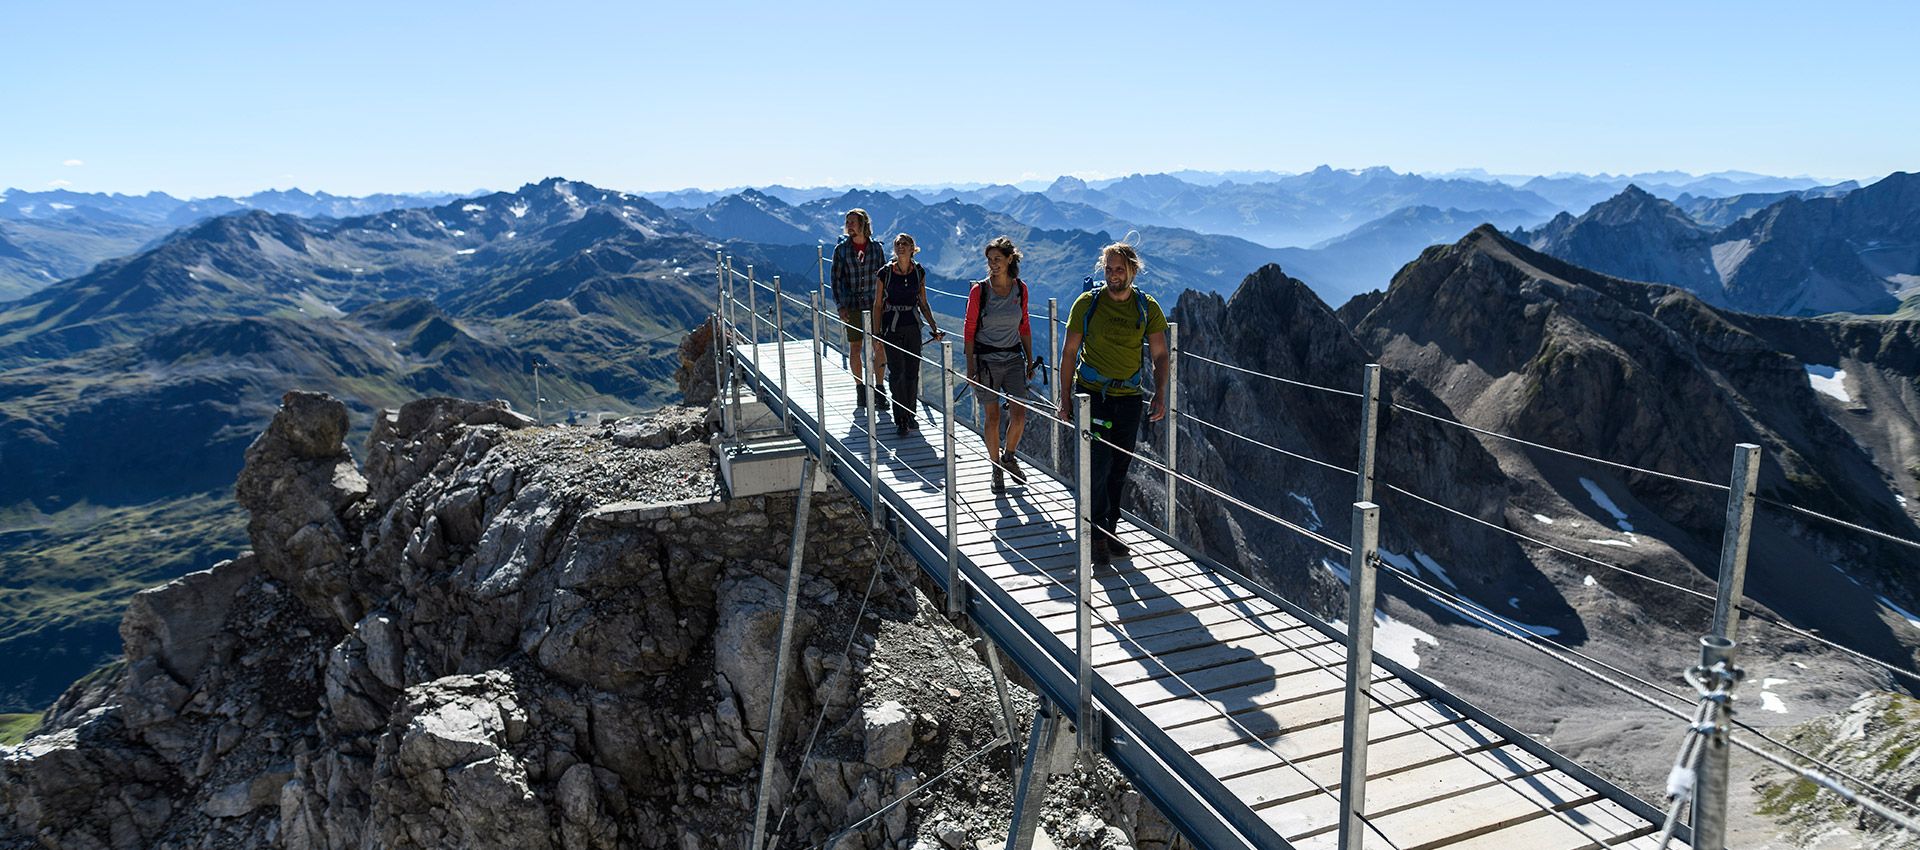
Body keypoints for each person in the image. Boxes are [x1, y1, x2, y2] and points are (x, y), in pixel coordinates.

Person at [1057, 242, 1169, 564]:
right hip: (1092, 397)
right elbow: (1068, 354)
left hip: (1130, 400)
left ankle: (1109, 529)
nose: (1113, 275)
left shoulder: (1147, 308)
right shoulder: (1086, 304)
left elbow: (1160, 355)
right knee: (1098, 465)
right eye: (1108, 269)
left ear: (1132, 270)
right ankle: (1097, 535)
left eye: (1119, 269)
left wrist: (1160, 394)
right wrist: (1065, 399)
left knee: (1119, 468)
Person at [965, 236, 1035, 494]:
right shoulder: (979, 291)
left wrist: (1029, 358)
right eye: (989, 260)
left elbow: (1024, 324)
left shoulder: (1021, 289)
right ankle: (996, 468)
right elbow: (969, 329)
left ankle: (1009, 457)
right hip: (986, 361)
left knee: (1019, 415)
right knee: (993, 417)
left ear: (1009, 259)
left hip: (1014, 358)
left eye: (997, 259)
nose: (993, 264)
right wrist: (971, 367)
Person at [872, 233, 941, 436]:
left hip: (912, 326)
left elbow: (923, 302)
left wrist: (934, 328)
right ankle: (900, 418)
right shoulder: (884, 273)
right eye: (897, 244)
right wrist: (876, 334)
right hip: (891, 327)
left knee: (912, 372)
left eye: (905, 244)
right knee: (897, 373)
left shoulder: (919, 272)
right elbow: (877, 305)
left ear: (912, 248)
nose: (900, 247)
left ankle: (910, 414)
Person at [830, 208, 886, 408]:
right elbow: (835, 280)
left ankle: (879, 389)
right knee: (856, 347)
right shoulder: (841, 250)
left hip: (874, 304)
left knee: (879, 345)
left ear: (863, 224)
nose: (849, 226)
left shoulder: (877, 249)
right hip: (852, 305)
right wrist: (840, 306)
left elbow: (883, 279)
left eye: (853, 222)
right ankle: (860, 389)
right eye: (848, 222)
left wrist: (884, 303)